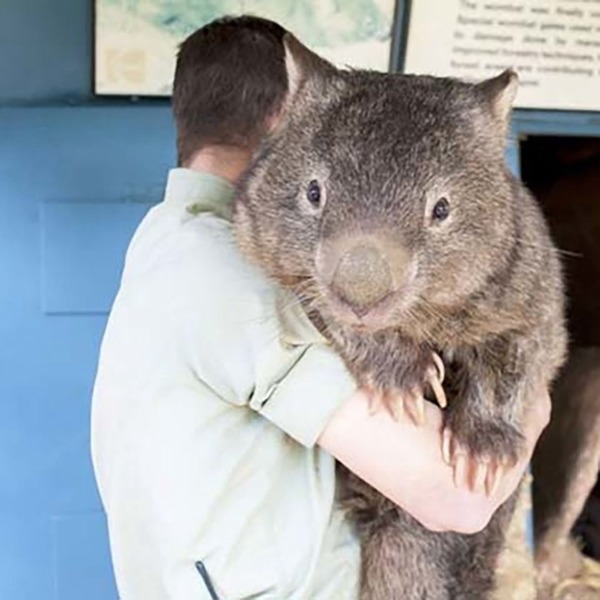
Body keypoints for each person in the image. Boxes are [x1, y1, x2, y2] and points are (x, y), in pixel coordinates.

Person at [91, 15, 551, 600]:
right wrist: (532, 407)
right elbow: (454, 497)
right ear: (292, 120)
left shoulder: (166, 245)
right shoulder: (225, 272)